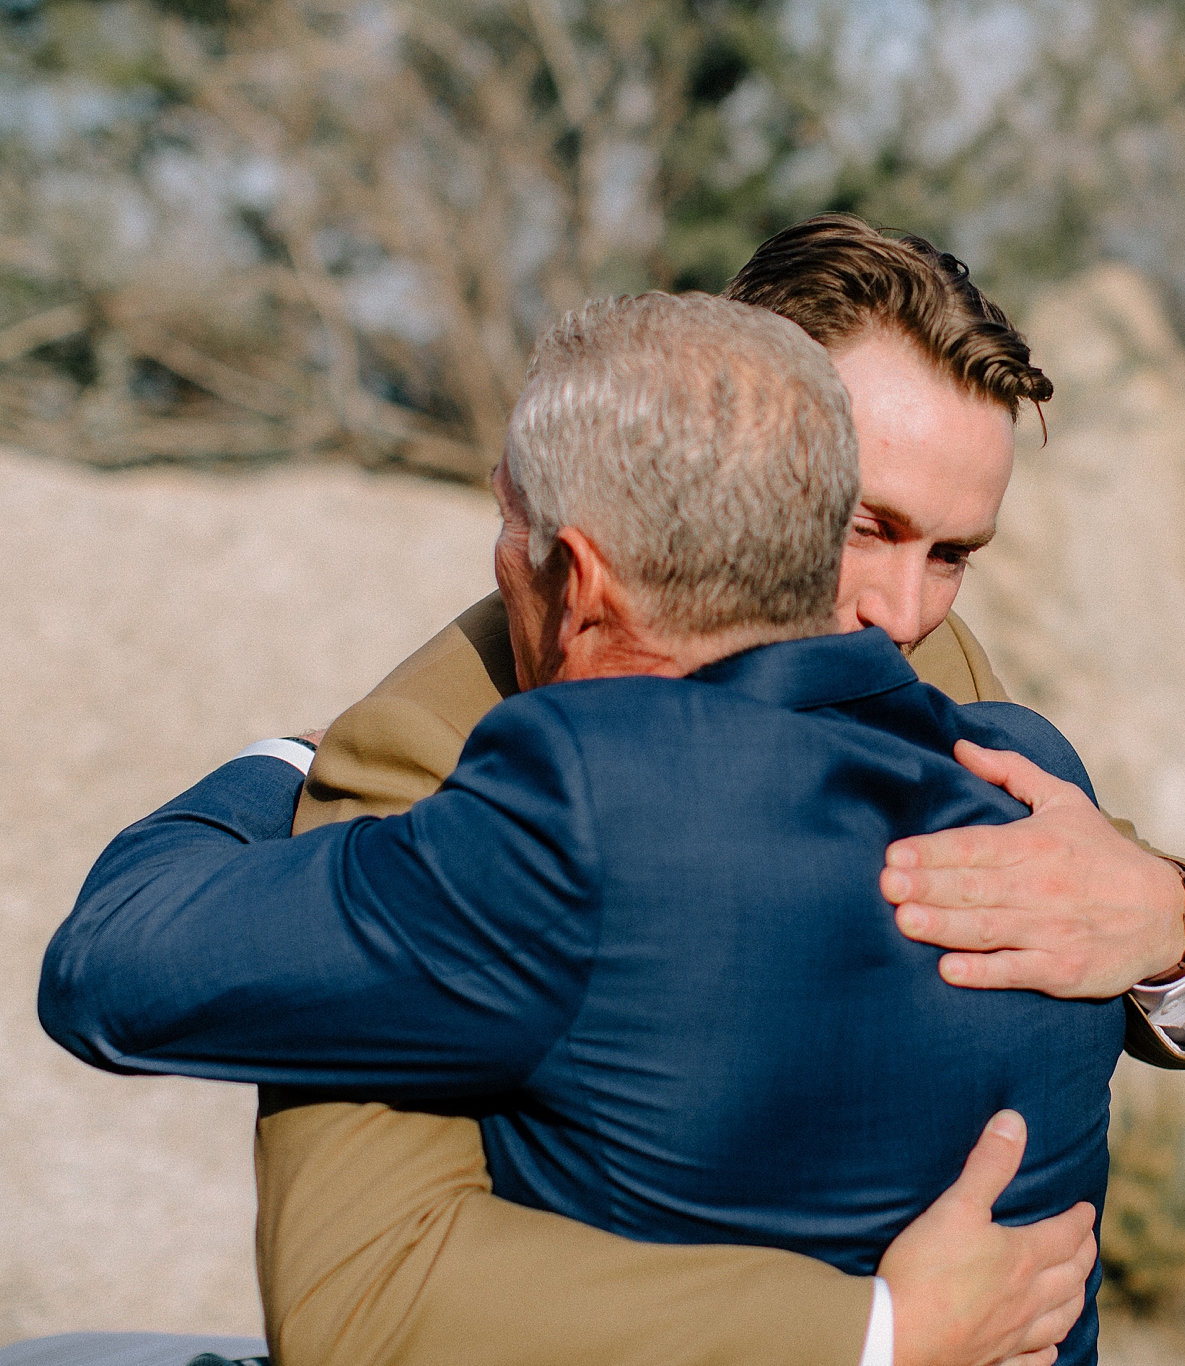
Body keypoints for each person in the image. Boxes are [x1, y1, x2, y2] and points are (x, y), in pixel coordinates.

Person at [247, 215, 1185, 1366]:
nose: (903, 607)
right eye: (864, 525)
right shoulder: (434, 753)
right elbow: (358, 1298)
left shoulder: (928, 662)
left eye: (951, 553)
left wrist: (1170, 927)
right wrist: (880, 1334)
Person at [44, 292, 1118, 1366]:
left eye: (511, 528)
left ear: (583, 582)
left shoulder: (567, 815)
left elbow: (111, 961)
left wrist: (292, 763)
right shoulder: (1036, 783)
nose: (501, 562)